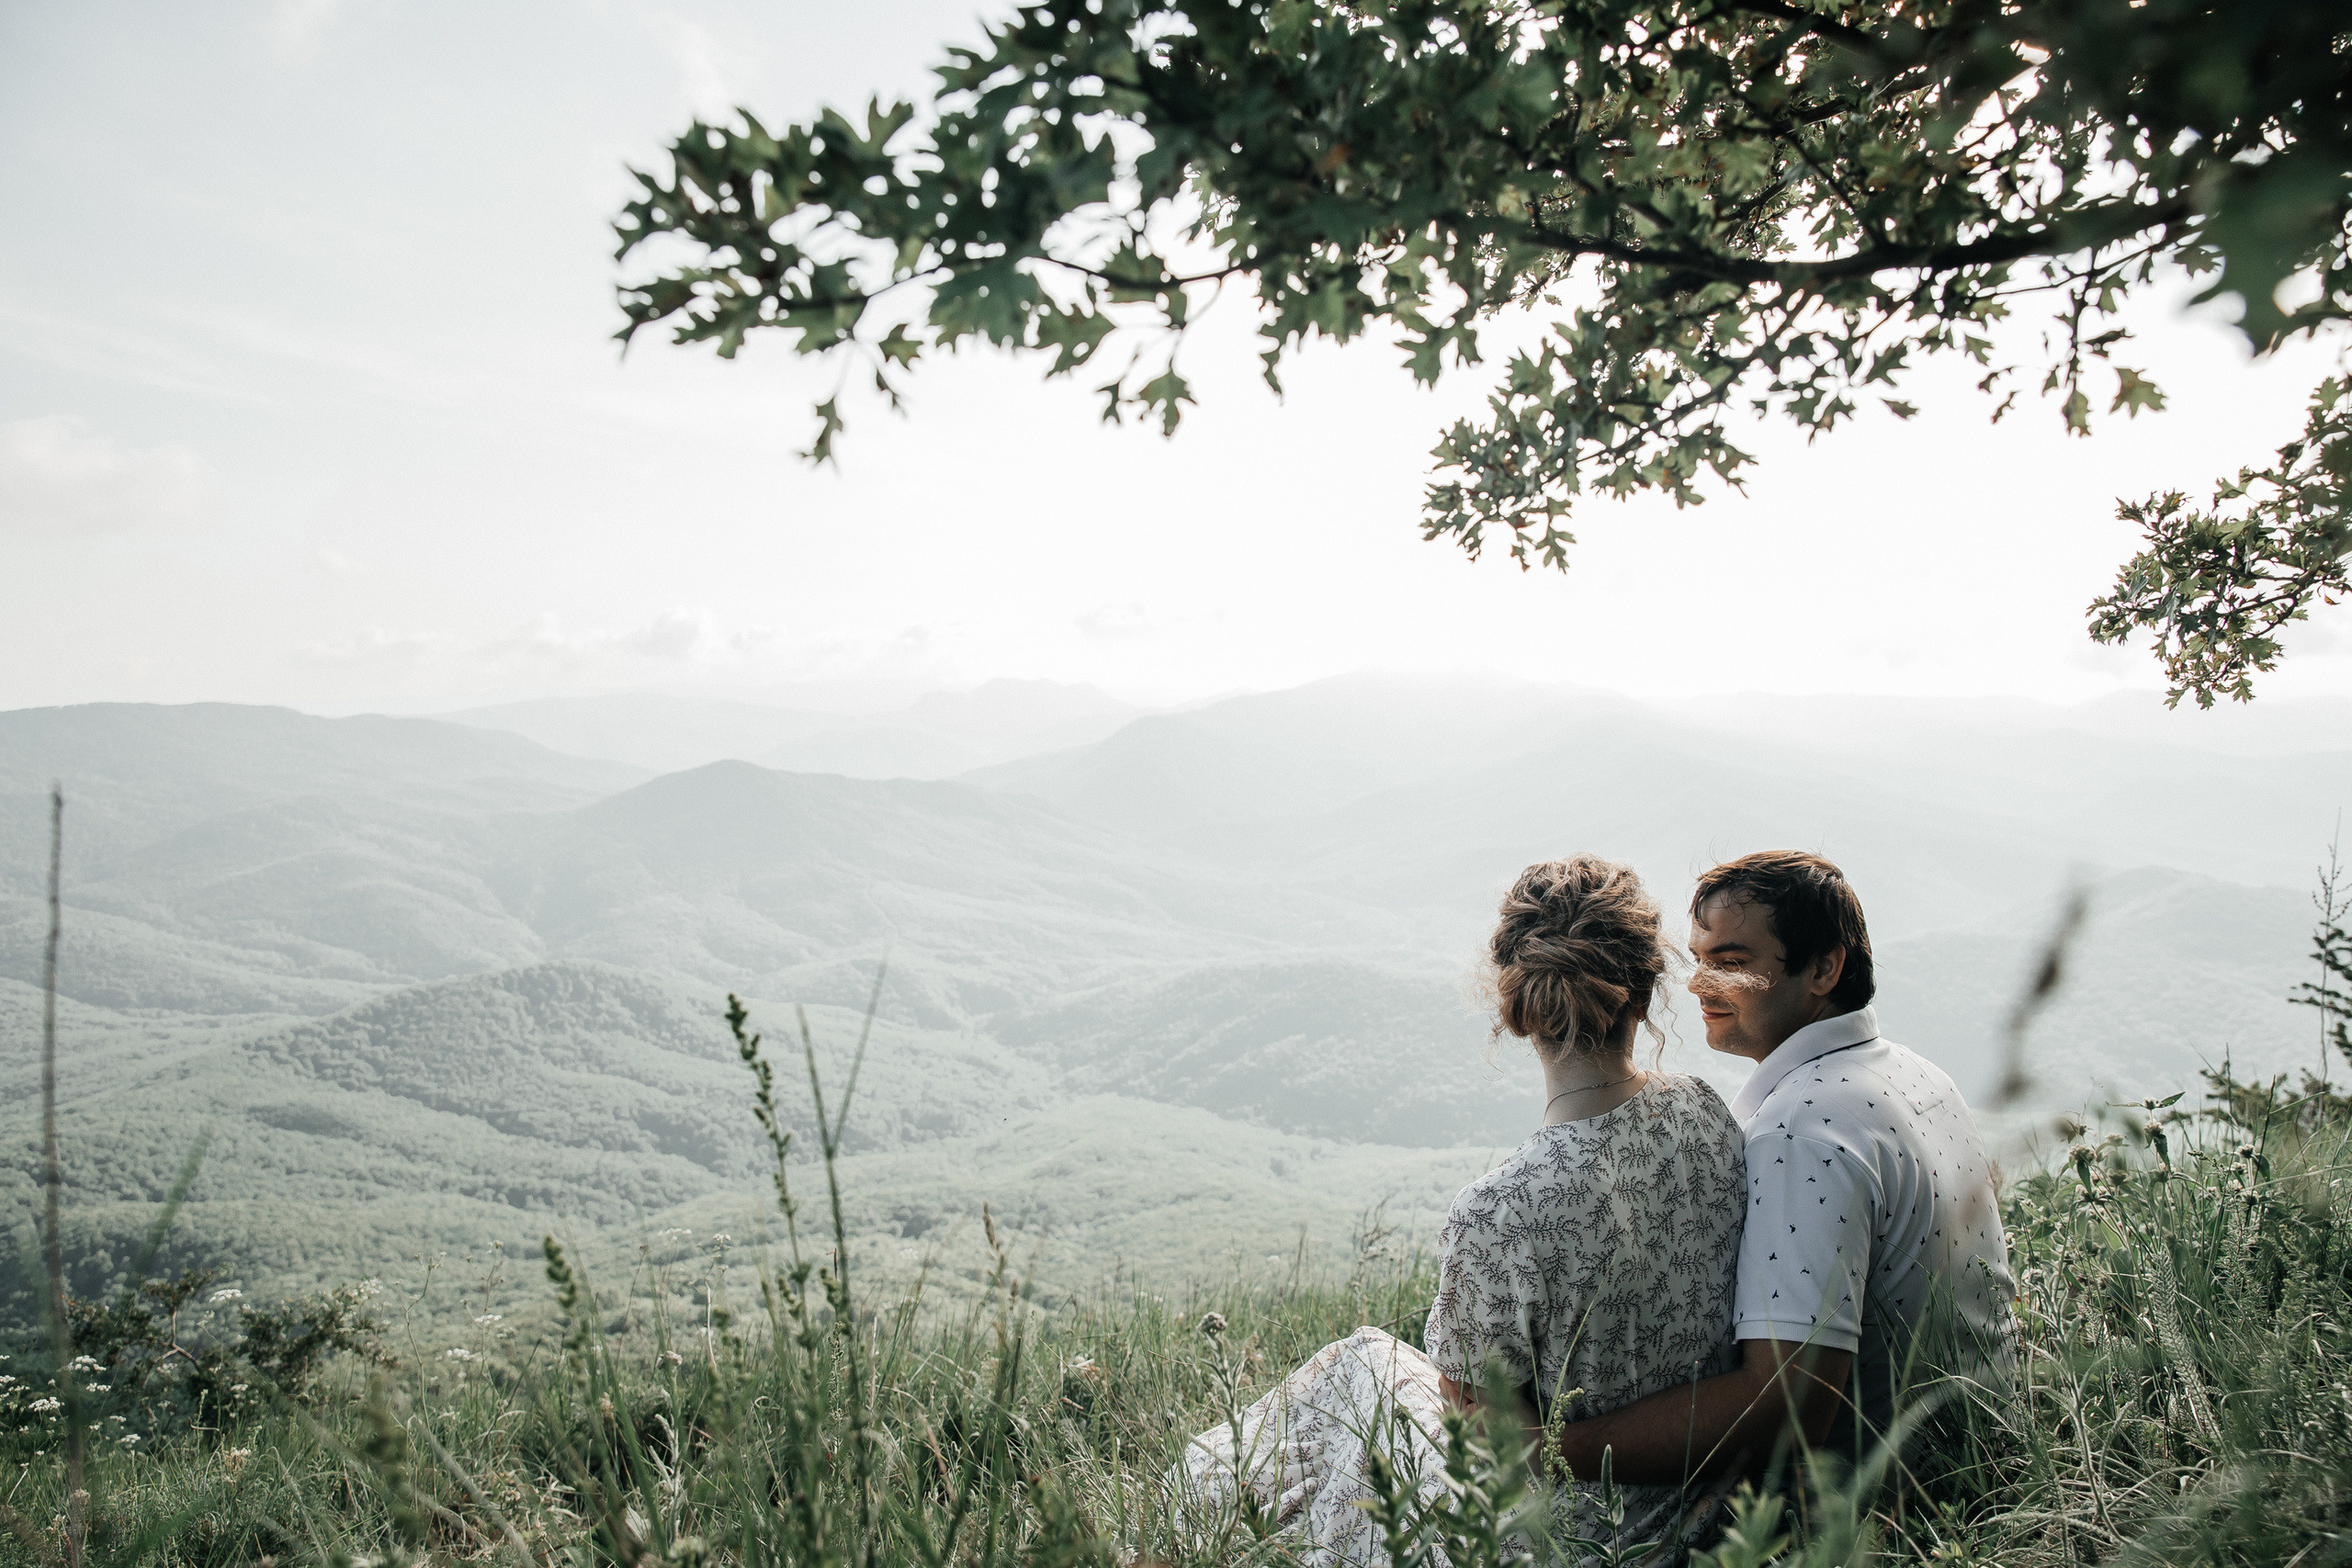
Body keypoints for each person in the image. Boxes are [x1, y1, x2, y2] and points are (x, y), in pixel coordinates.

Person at [1173, 855, 1750, 1565]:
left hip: (1559, 1543)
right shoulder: (1705, 1112)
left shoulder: (1499, 1211)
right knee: (1365, 1367)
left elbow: (1487, 1447)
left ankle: (1181, 1521)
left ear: (1514, 1005)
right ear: (1643, 990)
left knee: (1355, 1369)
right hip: (1712, 1519)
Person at [1541, 850, 2018, 1487]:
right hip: (1979, 1471)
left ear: (1824, 968)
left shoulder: (1802, 1129)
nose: (1700, 983)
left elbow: (1788, 1408)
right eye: (1700, 959)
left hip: (1876, 1515)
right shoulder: (1918, 1075)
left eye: (1732, 962)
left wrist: (1549, 1449)